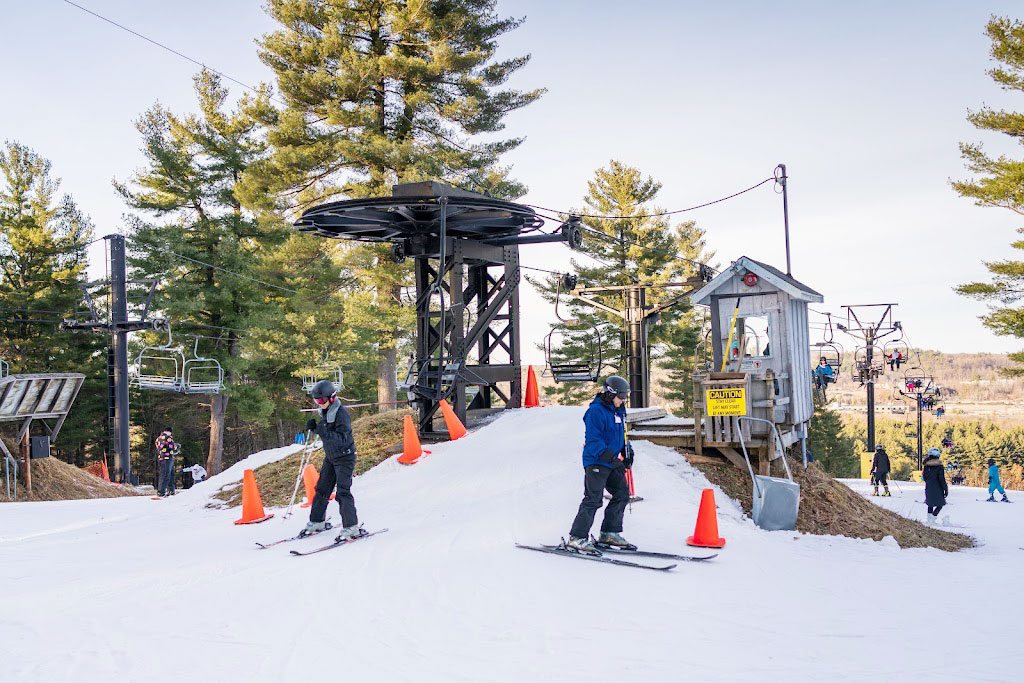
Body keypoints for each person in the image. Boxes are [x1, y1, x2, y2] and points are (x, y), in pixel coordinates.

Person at [566, 376, 634, 555]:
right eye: (621, 396)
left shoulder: (618, 411)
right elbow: (593, 442)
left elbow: (622, 434)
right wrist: (613, 459)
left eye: (625, 396)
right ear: (611, 393)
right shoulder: (596, 411)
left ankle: (609, 533)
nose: (623, 400)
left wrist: (627, 450)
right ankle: (577, 537)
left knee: (621, 494)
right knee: (593, 499)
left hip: (611, 461)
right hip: (596, 461)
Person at [302, 379, 361, 540]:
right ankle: (317, 521)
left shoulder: (341, 414)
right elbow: (326, 431)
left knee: (342, 492)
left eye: (322, 400)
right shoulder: (326, 412)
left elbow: (342, 439)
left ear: (332, 398)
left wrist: (323, 432)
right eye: (317, 400)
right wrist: (315, 428)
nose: (319, 403)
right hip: (331, 457)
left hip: (345, 457)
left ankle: (351, 527)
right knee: (321, 490)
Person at [922, 447, 948, 523]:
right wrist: (945, 488)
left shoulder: (926, 466)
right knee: (940, 504)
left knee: (930, 503)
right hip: (938, 487)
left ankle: (929, 518)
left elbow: (925, 477)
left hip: (929, 486)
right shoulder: (939, 466)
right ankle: (933, 518)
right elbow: (941, 478)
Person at [155, 428, 178, 497]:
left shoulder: (158, 438)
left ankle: (168, 491)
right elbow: (173, 447)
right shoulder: (168, 438)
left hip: (161, 457)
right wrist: (176, 447)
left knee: (165, 474)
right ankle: (163, 491)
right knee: (168, 475)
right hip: (168, 458)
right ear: (169, 432)